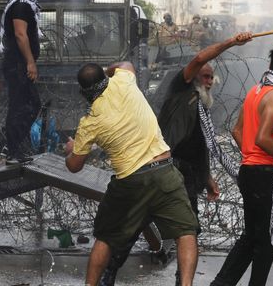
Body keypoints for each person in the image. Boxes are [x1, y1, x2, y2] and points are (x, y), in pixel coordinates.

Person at [99, 32, 253, 285]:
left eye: (211, 77)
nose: (209, 81)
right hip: (162, 170)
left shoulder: (201, 106)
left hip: (187, 178)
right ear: (193, 76)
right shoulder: (181, 88)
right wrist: (230, 43)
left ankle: (182, 279)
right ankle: (109, 273)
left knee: (188, 230)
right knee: (136, 223)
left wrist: (208, 178)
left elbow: (201, 145)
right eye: (204, 76)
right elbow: (200, 57)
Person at [66, 61, 200, 286]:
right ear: (105, 79)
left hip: (130, 181)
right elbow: (126, 64)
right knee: (186, 232)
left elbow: (74, 166)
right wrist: (109, 71)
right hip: (164, 170)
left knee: (105, 238)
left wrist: (71, 150)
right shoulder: (123, 81)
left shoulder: (90, 122)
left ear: (83, 93)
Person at [211, 42, 273, 286]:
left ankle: (220, 283)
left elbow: (237, 130)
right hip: (264, 174)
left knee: (252, 237)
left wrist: (249, 155)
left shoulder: (255, 91)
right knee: (266, 240)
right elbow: (263, 138)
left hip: (251, 171)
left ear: (270, 64)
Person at [0, 0, 46, 164]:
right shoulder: (21, 4)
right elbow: (20, 34)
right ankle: (12, 148)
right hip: (17, 63)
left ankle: (15, 146)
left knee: (28, 105)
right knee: (21, 106)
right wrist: (30, 62)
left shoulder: (25, 1)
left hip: (18, 63)